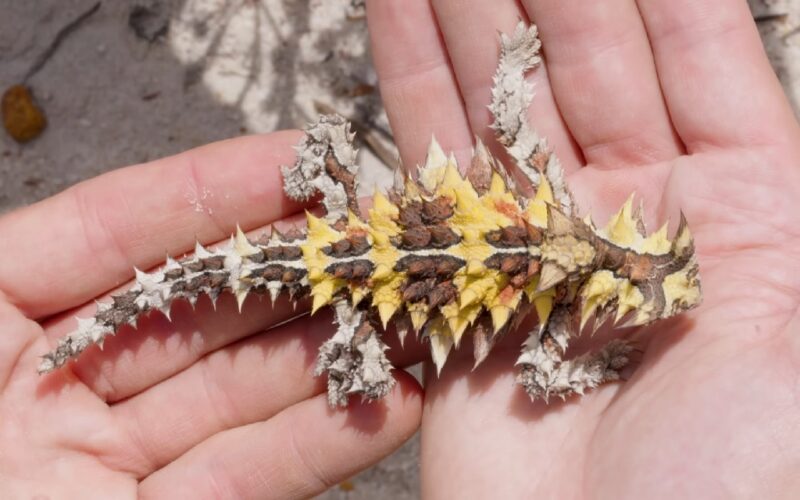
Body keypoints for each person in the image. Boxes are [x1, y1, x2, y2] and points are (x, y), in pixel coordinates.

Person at [1, 0, 798, 497]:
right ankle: (94, 332)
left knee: (319, 174)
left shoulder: (552, 200)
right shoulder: (555, 299)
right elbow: (542, 370)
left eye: (655, 273)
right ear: (630, 249)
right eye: (658, 271)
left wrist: (516, 70)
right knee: (355, 373)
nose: (655, 271)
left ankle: (95, 333)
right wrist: (598, 367)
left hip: (351, 242)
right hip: (353, 269)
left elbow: (514, 131)